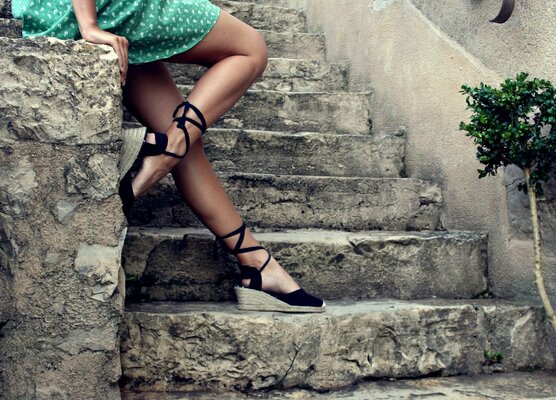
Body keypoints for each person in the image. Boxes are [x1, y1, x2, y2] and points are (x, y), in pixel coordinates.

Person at [11, 0, 326, 313]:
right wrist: (89, 24)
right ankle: (166, 150)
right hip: (86, 8)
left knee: (184, 131)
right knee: (250, 47)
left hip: (51, 13)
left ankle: (256, 264)